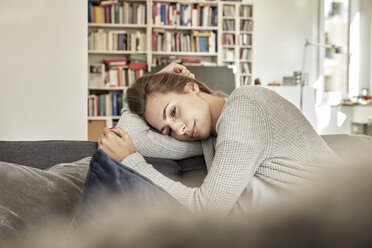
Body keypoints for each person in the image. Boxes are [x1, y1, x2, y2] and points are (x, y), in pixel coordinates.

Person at [98, 63, 343, 214]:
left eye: (173, 112)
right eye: (167, 130)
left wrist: (131, 162)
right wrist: (148, 87)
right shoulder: (210, 136)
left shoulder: (244, 108)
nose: (178, 130)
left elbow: (205, 210)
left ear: (191, 87)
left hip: (347, 217)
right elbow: (131, 138)